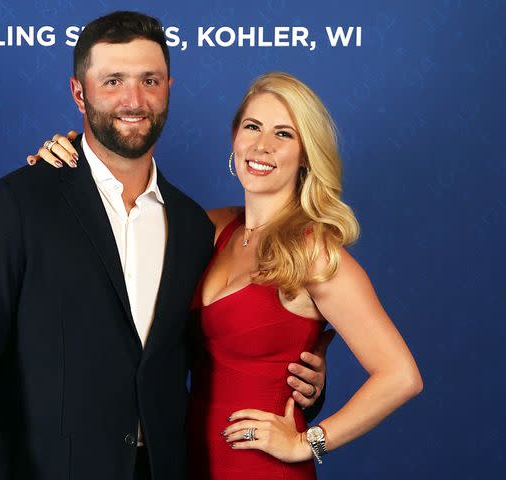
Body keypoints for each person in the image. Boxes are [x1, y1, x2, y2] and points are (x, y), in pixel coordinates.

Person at [0, 12, 326, 480]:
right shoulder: (15, 206)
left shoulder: (193, 225)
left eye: (150, 80)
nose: (133, 99)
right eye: (113, 80)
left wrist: (307, 381)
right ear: (80, 93)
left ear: (168, 88)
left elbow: (219, 350)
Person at [33, 71, 423, 479]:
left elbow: (400, 376)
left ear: (306, 154)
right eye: (252, 127)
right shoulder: (212, 227)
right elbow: (115, 240)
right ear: (235, 136)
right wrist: (67, 164)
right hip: (186, 459)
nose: (262, 145)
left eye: (284, 134)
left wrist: (307, 443)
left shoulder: (314, 252)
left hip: (260, 467)